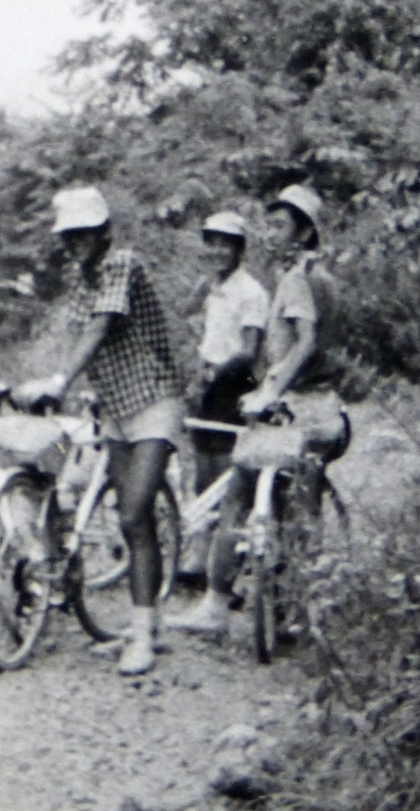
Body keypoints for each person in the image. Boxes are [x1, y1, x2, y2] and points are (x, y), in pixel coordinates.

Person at [13, 185, 185, 675]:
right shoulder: (78, 276)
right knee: (116, 511)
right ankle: (142, 623)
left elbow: (101, 327)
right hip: (113, 405)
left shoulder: (123, 264)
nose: (77, 244)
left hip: (154, 399)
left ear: (104, 232)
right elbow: (75, 333)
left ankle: (144, 636)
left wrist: (59, 380)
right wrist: (61, 382)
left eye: (85, 234)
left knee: (133, 513)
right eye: (69, 236)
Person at [168, 183, 335, 637]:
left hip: (293, 407)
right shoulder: (318, 273)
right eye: (270, 224)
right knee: (298, 510)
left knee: (241, 496)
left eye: (281, 225)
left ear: (303, 232)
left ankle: (218, 604)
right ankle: (293, 610)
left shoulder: (297, 278)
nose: (272, 233)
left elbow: (306, 342)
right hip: (318, 406)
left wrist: (272, 385)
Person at [174, 211, 269, 588]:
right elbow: (190, 319)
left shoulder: (251, 292)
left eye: (225, 244)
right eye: (211, 243)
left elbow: (249, 350)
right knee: (203, 470)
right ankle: (200, 554)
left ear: (239, 250)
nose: (217, 251)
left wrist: (216, 374)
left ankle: (228, 561)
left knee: (229, 473)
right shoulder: (212, 288)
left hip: (235, 384)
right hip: (209, 381)